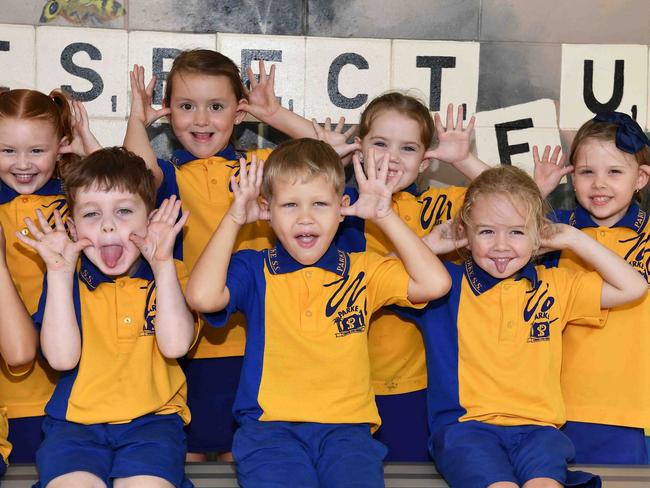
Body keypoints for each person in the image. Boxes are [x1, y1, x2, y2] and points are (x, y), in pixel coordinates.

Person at [185, 138, 451, 487]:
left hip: (348, 433)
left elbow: (435, 284)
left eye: (320, 204)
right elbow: (202, 297)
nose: (306, 218)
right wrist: (234, 218)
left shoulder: (363, 270)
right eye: (290, 205)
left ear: (342, 209)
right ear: (267, 210)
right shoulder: (255, 269)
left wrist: (384, 216)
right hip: (271, 432)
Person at [399, 165, 646, 488]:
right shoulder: (443, 285)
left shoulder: (556, 285)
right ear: (465, 233)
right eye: (487, 231)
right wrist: (430, 245)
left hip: (539, 431)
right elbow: (371, 277)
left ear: (538, 235)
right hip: (468, 430)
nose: (501, 245)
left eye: (516, 232)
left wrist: (572, 238)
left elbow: (634, 287)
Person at [124, 51, 316, 461]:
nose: (200, 120)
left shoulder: (260, 168)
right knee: (189, 456)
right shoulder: (168, 173)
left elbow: (323, 153)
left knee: (247, 457)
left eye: (216, 107)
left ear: (239, 112)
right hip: (189, 346)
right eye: (186, 106)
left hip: (259, 345)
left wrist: (275, 114)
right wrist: (137, 120)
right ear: (168, 112)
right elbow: (135, 169)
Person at [316, 93, 487, 461]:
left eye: (407, 148)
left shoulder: (439, 206)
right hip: (336, 388)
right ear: (358, 148)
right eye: (380, 143)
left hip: (414, 386)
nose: (391, 158)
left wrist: (464, 160)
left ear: (426, 161)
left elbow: (515, 202)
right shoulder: (333, 207)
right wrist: (324, 162)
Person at [17, 147, 194, 488]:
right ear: (72, 227)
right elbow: (61, 358)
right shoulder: (65, 279)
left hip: (153, 422)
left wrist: (162, 266)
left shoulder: (172, 273)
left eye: (125, 211)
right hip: (74, 426)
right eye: (92, 215)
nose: (109, 225)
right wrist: (57, 273)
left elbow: (175, 345)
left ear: (151, 219)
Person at [534, 112, 650, 464]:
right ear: (571, 177)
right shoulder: (552, 231)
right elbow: (492, 226)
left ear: (640, 177)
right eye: (587, 172)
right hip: (558, 409)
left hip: (635, 412)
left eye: (614, 172)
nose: (599, 184)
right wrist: (537, 193)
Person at [0, 88, 99, 463]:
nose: (22, 164)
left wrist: (87, 148)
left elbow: (129, 191)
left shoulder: (78, 203)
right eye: (8, 150)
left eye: (36, 151)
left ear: (61, 146)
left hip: (71, 391)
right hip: (11, 392)